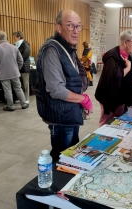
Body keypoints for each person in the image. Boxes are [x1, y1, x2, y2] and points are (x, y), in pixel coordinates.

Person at [35, 10, 91, 162]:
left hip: (70, 113)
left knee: (71, 154)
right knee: (61, 157)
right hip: (60, 116)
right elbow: (56, 89)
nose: (75, 31)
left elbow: (74, 79)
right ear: (58, 28)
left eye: (78, 26)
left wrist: (81, 99)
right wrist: (82, 99)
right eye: (70, 26)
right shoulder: (52, 50)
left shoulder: (67, 48)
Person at [95, 30, 132, 127]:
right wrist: (128, 67)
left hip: (121, 96)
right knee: (106, 122)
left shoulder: (127, 56)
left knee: (118, 122)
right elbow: (115, 76)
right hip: (109, 96)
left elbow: (129, 77)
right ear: (125, 42)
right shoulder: (112, 56)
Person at [0, 30, 29, 111]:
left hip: (3, 74)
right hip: (15, 72)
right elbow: (21, 60)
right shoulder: (14, 47)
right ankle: (24, 103)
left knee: (7, 90)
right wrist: (17, 68)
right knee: (18, 88)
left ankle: (11, 106)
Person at [12, 31, 31, 103]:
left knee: (25, 84)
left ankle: (26, 98)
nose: (13, 38)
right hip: (18, 68)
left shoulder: (25, 44)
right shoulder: (15, 45)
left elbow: (26, 54)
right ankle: (21, 98)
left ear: (18, 37)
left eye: (14, 37)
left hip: (24, 67)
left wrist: (19, 61)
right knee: (20, 84)